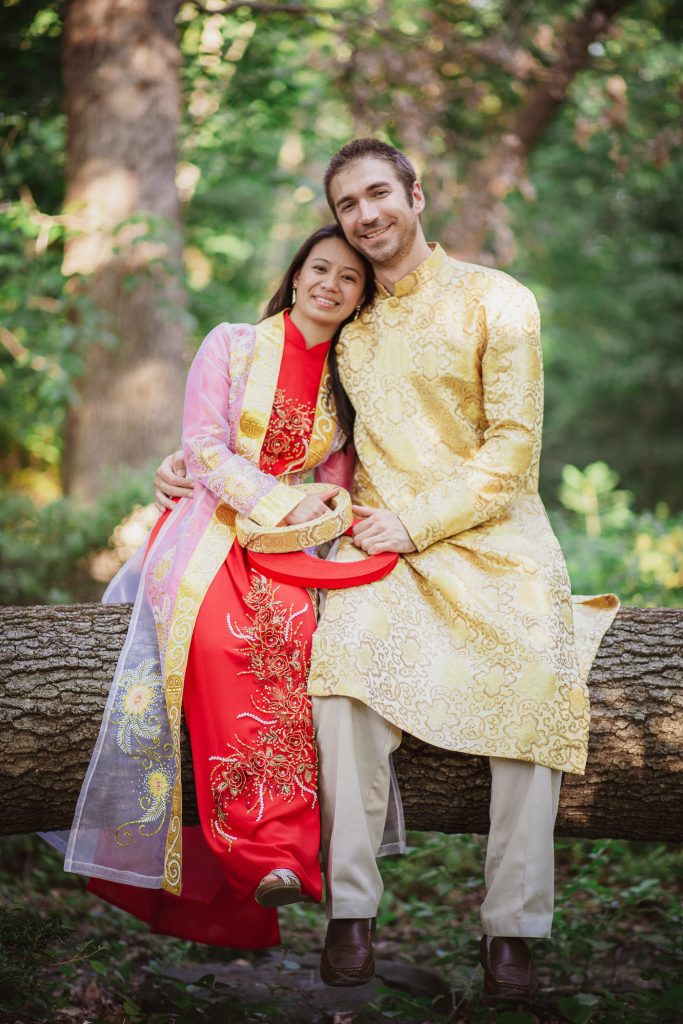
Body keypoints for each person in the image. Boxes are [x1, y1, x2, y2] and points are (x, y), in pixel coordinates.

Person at [155, 139, 620, 1001]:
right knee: (339, 686)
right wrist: (184, 469)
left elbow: (514, 449)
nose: (365, 216)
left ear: (414, 193)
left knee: (539, 687)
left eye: (378, 195)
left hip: (494, 541)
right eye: (347, 206)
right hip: (375, 547)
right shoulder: (350, 325)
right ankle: (352, 913)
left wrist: (417, 522)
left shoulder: (496, 300)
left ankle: (511, 933)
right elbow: (279, 426)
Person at [52, 224, 375, 950]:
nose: (329, 284)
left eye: (348, 278)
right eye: (318, 268)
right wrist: (276, 499)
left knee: (291, 638)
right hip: (207, 526)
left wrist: (322, 508)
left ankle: (284, 858)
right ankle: (255, 850)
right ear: (295, 276)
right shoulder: (231, 343)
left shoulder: (349, 382)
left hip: (288, 547)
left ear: (359, 299)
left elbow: (335, 481)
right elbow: (200, 446)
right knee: (221, 640)